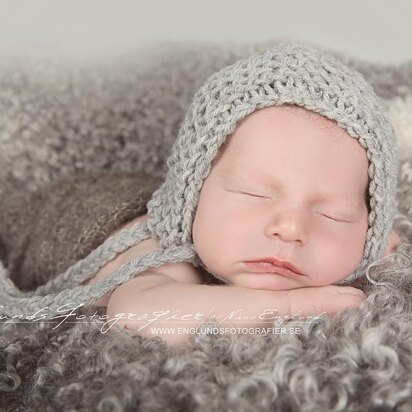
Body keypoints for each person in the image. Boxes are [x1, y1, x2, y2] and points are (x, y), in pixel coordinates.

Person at [0, 43, 402, 346]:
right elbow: (136, 313)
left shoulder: (353, 236)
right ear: (193, 195)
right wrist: (290, 308)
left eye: (334, 215)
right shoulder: (165, 258)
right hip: (66, 212)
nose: (291, 227)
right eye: (254, 194)